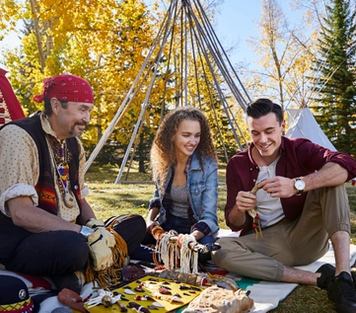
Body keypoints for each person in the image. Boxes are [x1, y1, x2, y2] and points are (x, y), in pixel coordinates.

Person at [0, 74, 146, 293]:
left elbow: (79, 199)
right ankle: (82, 271)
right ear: (56, 105)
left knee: (135, 225)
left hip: (73, 231)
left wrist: (97, 228)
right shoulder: (18, 136)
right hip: (26, 240)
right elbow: (22, 214)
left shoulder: (74, 144)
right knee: (74, 248)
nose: (87, 118)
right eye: (82, 109)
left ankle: (79, 271)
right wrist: (84, 234)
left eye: (89, 110)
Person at [212, 98, 356, 313]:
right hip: (268, 242)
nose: (263, 140)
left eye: (269, 131)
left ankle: (343, 276)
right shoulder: (237, 164)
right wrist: (239, 208)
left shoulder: (299, 148)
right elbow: (234, 224)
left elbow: (347, 164)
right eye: (255, 133)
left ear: (282, 126)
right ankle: (320, 279)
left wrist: (298, 185)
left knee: (331, 181)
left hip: (306, 233)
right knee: (218, 250)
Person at [133, 107, 219, 262]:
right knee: (128, 240)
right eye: (186, 135)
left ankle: (164, 256)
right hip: (166, 226)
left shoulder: (208, 165)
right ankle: (170, 256)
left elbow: (210, 218)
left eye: (197, 136)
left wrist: (189, 239)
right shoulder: (164, 161)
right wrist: (150, 222)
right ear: (172, 135)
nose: (193, 142)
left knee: (205, 253)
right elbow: (157, 199)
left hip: (195, 231)